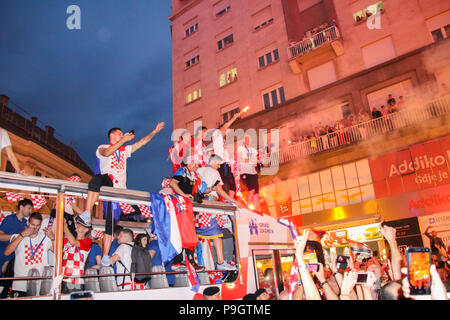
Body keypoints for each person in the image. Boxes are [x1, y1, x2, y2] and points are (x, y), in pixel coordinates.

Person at [83, 123, 164, 261]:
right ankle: (86, 214)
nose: (123, 136)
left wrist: (154, 131)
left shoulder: (124, 150)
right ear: (112, 135)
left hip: (121, 192)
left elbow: (142, 143)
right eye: (120, 134)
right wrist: (123, 140)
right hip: (108, 183)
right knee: (96, 180)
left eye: (122, 135)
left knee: (115, 222)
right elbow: (107, 153)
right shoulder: (102, 147)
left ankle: (106, 256)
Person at [195, 155, 241, 271]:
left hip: (199, 205)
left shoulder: (199, 170)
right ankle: (220, 262)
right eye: (218, 164)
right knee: (217, 233)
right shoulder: (214, 172)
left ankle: (203, 262)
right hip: (211, 204)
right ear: (214, 162)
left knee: (202, 236)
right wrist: (233, 201)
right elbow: (219, 190)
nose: (219, 166)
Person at [4, 212, 54, 297]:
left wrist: (53, 238)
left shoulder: (45, 238)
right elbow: (7, 252)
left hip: (38, 284)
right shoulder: (18, 236)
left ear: (41, 225)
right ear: (27, 223)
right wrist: (22, 235)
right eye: (32, 224)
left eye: (37, 225)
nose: (35, 228)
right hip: (20, 283)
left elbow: (58, 252)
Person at [0, 198, 33, 297]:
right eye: (29, 208)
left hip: (14, 260)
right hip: (3, 256)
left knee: (7, 287)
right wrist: (17, 236)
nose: (30, 211)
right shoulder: (10, 219)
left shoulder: (25, 223)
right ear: (21, 207)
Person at [61, 211, 93, 294]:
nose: (77, 225)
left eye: (80, 224)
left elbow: (73, 242)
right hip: (63, 278)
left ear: (86, 229)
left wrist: (65, 227)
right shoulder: (67, 240)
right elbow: (56, 249)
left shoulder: (87, 241)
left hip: (75, 280)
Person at [237, 135, 260, 208]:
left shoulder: (253, 150)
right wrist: (249, 160)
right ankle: (248, 207)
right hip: (245, 172)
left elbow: (255, 160)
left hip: (253, 172)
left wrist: (257, 162)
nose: (247, 140)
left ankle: (255, 208)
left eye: (248, 138)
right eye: (246, 139)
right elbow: (239, 159)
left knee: (256, 191)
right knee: (251, 189)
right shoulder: (240, 149)